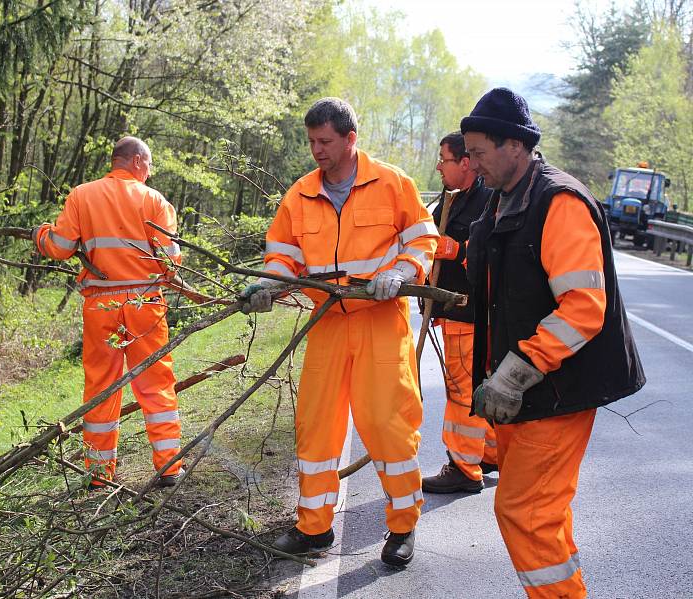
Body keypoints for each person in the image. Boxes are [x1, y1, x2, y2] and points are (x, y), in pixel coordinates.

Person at [461, 88, 645, 598]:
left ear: (514, 145)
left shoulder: (558, 203)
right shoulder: (502, 201)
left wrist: (514, 371)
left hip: (556, 389)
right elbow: (500, 292)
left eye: (478, 153)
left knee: (524, 510)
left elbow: (583, 308)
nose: (472, 165)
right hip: (529, 390)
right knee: (544, 511)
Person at [240, 97, 438, 567]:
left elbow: (423, 239)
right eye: (311, 141)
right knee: (317, 427)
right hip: (327, 323)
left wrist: (404, 272)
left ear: (351, 139)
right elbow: (283, 256)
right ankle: (314, 527)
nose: (316, 150)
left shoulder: (393, 184)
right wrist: (272, 284)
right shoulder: (300, 194)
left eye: (324, 141)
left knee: (389, 425)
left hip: (380, 323)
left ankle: (403, 526)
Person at [32, 136, 185, 489]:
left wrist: (40, 235)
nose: (149, 172)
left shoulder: (82, 196)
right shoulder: (155, 201)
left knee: (102, 386)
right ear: (136, 162)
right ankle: (169, 466)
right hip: (145, 304)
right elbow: (169, 261)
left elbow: (60, 247)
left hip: (101, 305)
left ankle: (99, 474)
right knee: (155, 383)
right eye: (148, 165)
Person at [420, 131, 497, 495]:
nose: (439, 165)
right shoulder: (450, 202)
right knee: (478, 386)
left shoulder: (487, 200)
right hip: (451, 311)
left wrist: (457, 248)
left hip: (469, 314)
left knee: (461, 392)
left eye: (444, 159)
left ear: (465, 163)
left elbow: (491, 255)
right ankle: (490, 454)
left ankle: (465, 468)